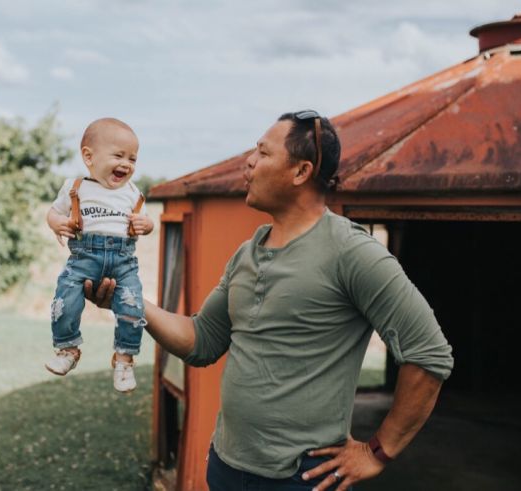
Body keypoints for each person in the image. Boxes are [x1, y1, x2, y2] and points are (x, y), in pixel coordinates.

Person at [85, 111, 454, 489]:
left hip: (298, 477)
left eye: (262, 153)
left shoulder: (352, 252)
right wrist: (128, 301)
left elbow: (428, 353)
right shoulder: (248, 253)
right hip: (227, 466)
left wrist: (378, 450)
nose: (248, 161)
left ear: (300, 172)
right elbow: (201, 340)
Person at [44, 117, 154, 393]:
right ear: (89, 157)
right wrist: (57, 223)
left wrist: (146, 225)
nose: (127, 164)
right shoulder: (76, 187)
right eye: (118, 155)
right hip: (83, 260)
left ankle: (125, 359)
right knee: (65, 299)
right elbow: (54, 212)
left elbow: (147, 222)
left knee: (132, 306)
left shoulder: (133, 193)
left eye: (133, 159)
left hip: (123, 264)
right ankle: (67, 349)